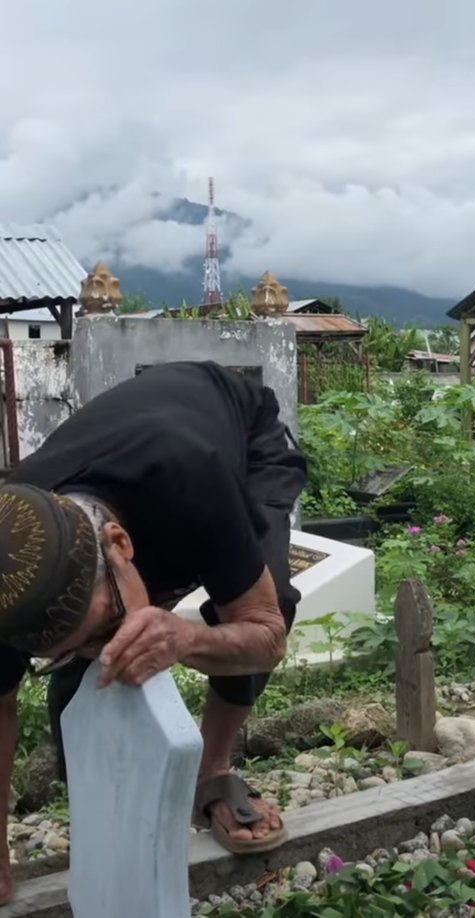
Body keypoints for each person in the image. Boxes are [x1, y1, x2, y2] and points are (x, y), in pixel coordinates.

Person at [0, 360, 307, 905]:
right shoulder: (11, 569)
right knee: (90, 669)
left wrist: (187, 638)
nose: (106, 651)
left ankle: (213, 773)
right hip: (132, 454)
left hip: (237, 438)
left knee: (268, 595)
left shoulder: (192, 477)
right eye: (70, 648)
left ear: (119, 545)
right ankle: (100, 803)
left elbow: (266, 632)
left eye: (107, 626)